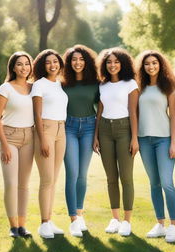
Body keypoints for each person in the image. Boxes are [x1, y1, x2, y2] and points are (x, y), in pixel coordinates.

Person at [93, 47, 139, 237]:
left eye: (116, 62)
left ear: (123, 63)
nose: (112, 65)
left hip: (124, 130)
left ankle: (127, 221)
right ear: (105, 65)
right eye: (109, 62)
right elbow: (100, 112)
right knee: (111, 178)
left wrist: (135, 138)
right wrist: (95, 135)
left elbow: (134, 113)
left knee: (126, 177)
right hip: (104, 130)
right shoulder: (102, 85)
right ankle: (115, 218)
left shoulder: (130, 84)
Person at [136, 50, 175, 242]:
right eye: (147, 64)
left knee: (167, 183)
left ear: (160, 65)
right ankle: (160, 224)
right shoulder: (139, 87)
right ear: (143, 67)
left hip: (164, 140)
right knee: (154, 183)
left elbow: (174, 118)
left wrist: (173, 142)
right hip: (144, 140)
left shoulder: (168, 86)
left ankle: (174, 226)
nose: (151, 66)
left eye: (154, 63)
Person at [0, 51, 34, 237]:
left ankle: (22, 226)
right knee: (11, 183)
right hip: (9, 137)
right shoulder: (5, 88)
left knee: (24, 185)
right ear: (13, 67)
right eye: (19, 64)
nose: (23, 67)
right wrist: (5, 145)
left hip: (29, 137)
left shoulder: (34, 88)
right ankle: (13, 226)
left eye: (26, 63)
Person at [62, 45, 99, 237]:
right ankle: (73, 219)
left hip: (89, 127)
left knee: (82, 175)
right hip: (68, 127)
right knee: (72, 172)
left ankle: (80, 212)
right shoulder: (62, 83)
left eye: (81, 59)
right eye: (74, 59)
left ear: (87, 61)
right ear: (69, 63)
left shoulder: (95, 83)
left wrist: (96, 135)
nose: (78, 63)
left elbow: (101, 107)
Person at [31, 49, 68, 239]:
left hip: (62, 130)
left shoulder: (60, 84)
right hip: (45, 130)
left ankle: (50, 219)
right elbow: (37, 114)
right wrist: (43, 138)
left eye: (55, 61)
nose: (52, 65)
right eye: (48, 62)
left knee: (53, 179)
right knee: (46, 180)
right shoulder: (39, 85)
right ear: (42, 65)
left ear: (60, 64)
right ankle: (43, 224)